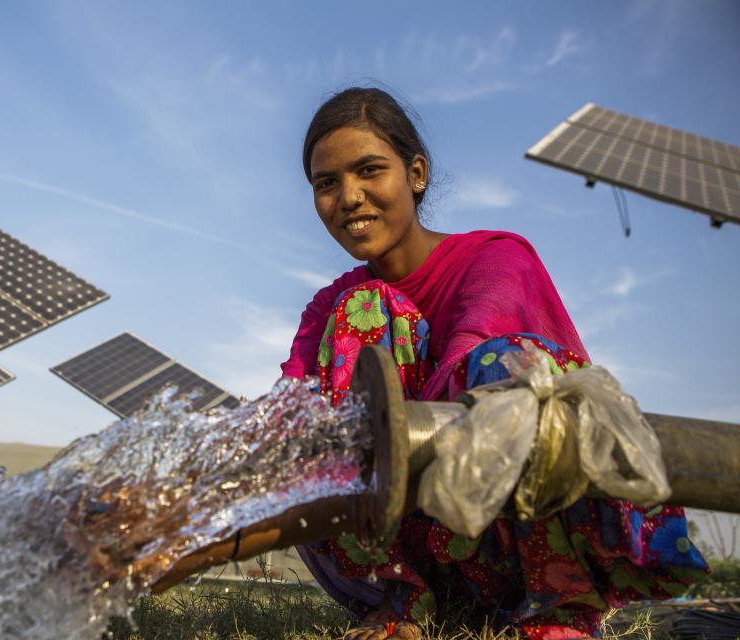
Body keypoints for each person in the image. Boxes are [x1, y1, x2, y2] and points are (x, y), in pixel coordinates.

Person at [280, 87, 708, 640]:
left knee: (508, 368)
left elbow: (473, 359)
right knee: (301, 414)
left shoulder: (497, 258)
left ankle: (559, 610)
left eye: (369, 171)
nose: (350, 197)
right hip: (415, 550)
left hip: (508, 537)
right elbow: (285, 412)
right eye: (326, 183)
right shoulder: (328, 308)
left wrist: (388, 428)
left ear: (415, 173)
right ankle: (404, 602)